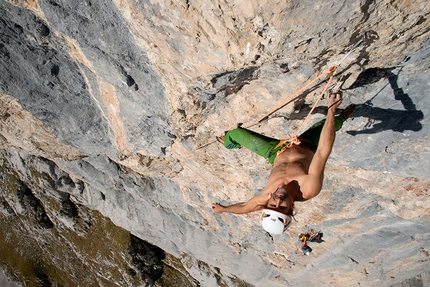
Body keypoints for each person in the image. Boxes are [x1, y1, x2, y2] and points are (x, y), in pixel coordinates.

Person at [211, 93, 355, 235]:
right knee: (330, 124)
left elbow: (244, 207)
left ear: (267, 204)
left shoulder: (265, 197)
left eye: (273, 205)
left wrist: (223, 209)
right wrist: (331, 110)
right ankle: (342, 117)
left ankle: (230, 143)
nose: (278, 201)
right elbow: (323, 151)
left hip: (275, 152)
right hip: (307, 145)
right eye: (282, 207)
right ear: (291, 209)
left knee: (235, 134)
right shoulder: (308, 189)